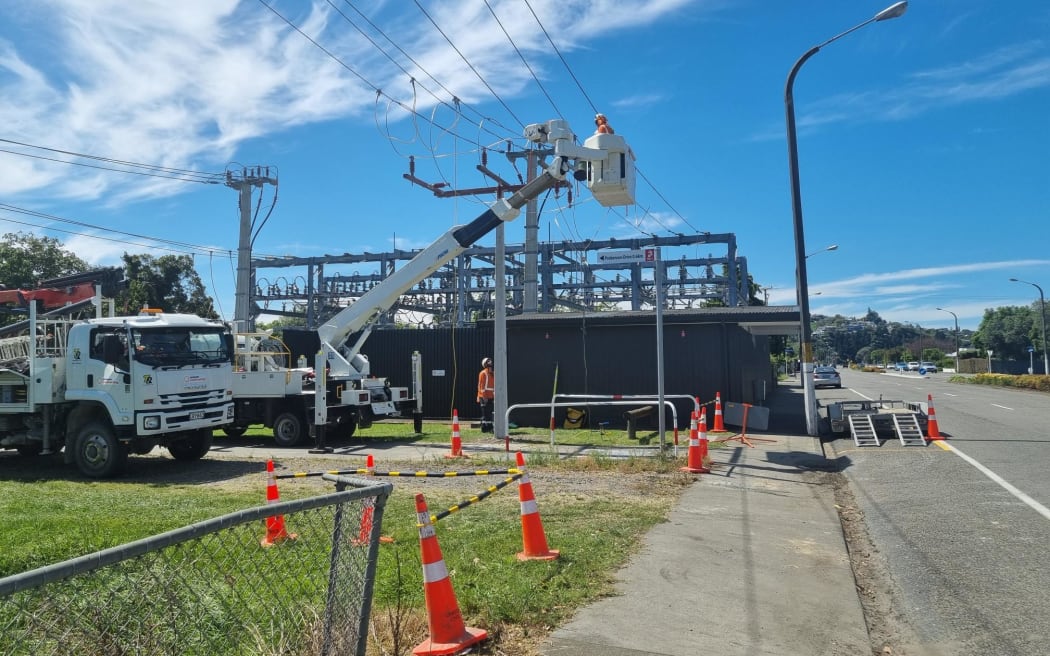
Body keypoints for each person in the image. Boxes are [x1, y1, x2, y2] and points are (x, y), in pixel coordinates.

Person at [477, 357, 494, 433]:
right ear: (485, 365)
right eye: (488, 363)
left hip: (490, 396)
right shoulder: (483, 373)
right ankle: (484, 428)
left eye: (490, 363)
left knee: (489, 413)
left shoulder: (492, 374)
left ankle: (489, 428)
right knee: (485, 413)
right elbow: (481, 386)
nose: (490, 364)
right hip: (484, 396)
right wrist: (484, 397)